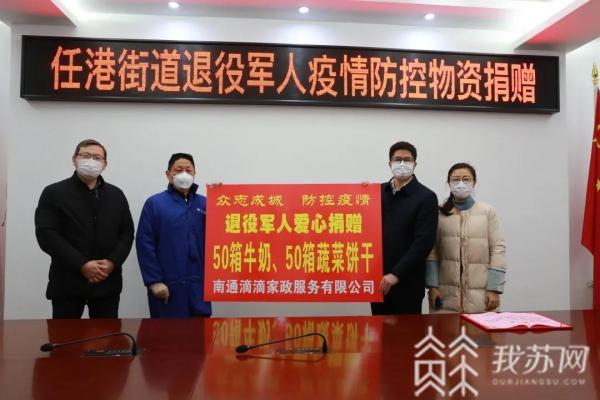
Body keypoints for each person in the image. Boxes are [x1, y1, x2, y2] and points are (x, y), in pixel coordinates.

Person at [35, 139, 134, 319]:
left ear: (105, 164)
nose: (91, 161)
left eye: (97, 157)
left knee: (107, 335)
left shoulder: (116, 195)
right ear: (74, 159)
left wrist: (112, 262)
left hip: (107, 283)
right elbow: (46, 234)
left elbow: (126, 234)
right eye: (85, 156)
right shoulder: (54, 192)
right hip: (67, 283)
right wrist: (82, 264)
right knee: (64, 336)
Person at [136, 153, 212, 318]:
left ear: (194, 173)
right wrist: (154, 281)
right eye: (178, 170)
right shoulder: (155, 204)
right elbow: (145, 244)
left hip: (199, 285)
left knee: (199, 330)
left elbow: (224, 232)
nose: (184, 174)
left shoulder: (206, 203)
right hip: (168, 286)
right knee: (167, 331)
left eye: (188, 170)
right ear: (168, 174)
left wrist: (221, 196)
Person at [426, 163, 506, 313]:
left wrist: (494, 288)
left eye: (466, 179)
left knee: (480, 329)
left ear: (474, 182)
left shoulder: (487, 212)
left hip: (482, 296)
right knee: (444, 328)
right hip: (445, 295)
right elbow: (432, 252)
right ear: (449, 183)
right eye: (455, 180)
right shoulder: (439, 213)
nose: (460, 184)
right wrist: (432, 286)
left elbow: (498, 249)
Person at [371, 141, 439, 315]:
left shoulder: (426, 197)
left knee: (407, 331)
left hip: (408, 284)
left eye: (407, 160)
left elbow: (423, 243)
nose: (402, 163)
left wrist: (396, 274)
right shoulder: (377, 192)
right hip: (378, 282)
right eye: (397, 159)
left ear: (415, 164)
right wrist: (360, 194)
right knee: (379, 329)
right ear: (390, 163)